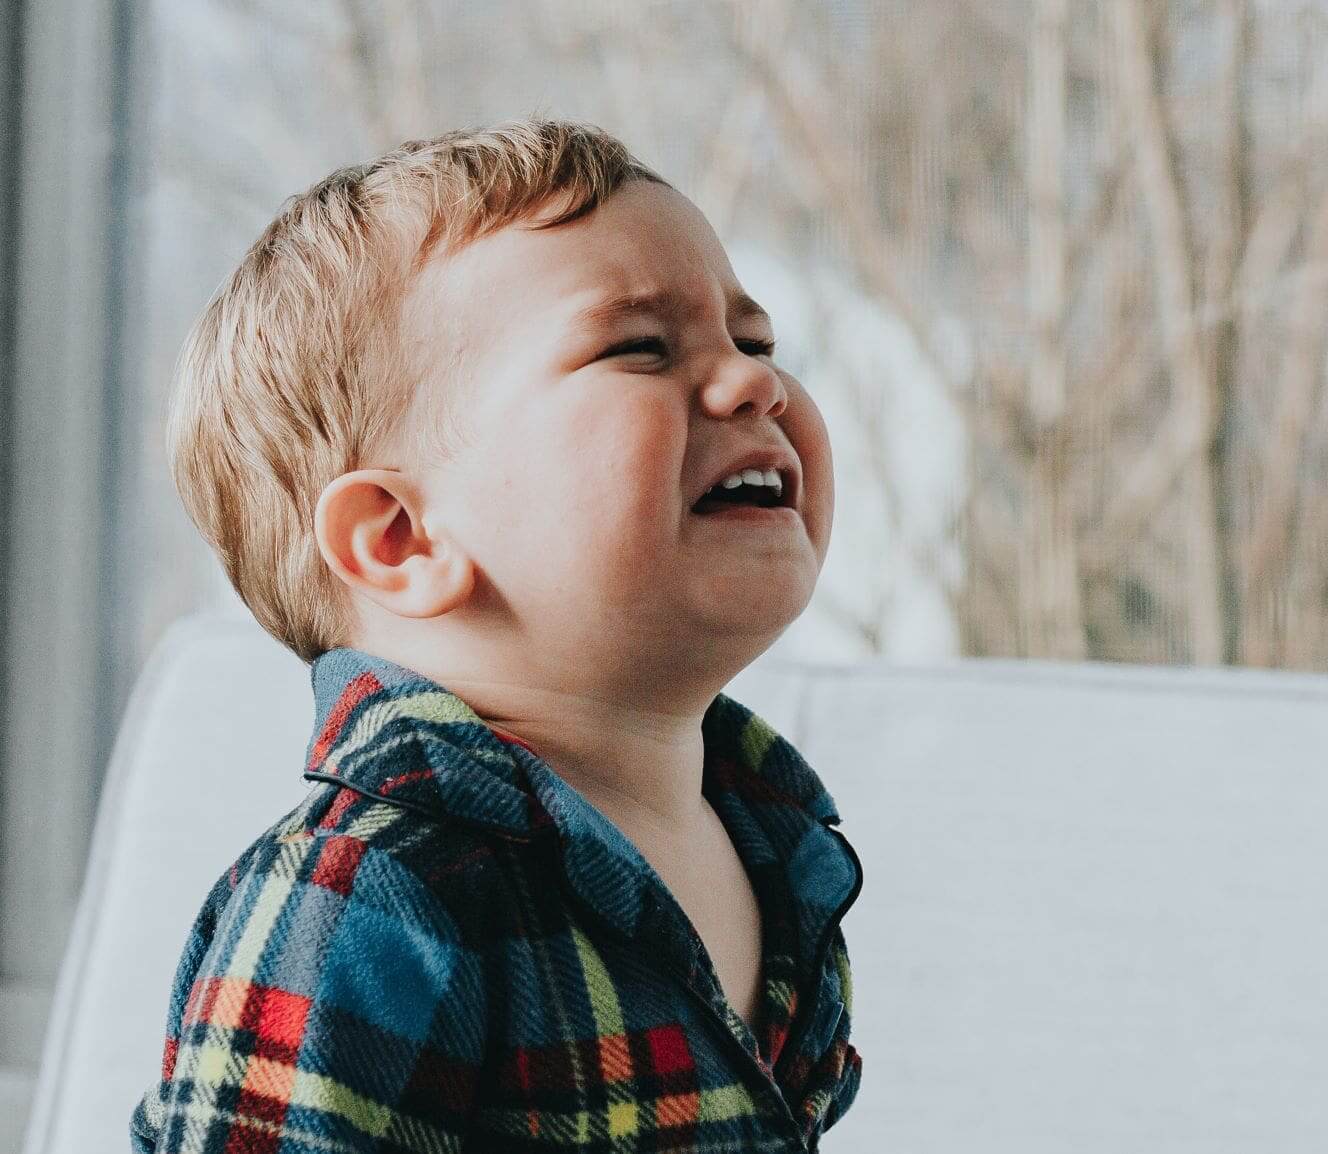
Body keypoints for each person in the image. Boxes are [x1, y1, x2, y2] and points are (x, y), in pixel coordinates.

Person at [129, 119, 864, 1153]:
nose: (756, 384)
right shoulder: (362, 892)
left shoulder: (776, 850)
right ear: (401, 536)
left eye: (755, 341)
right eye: (640, 347)